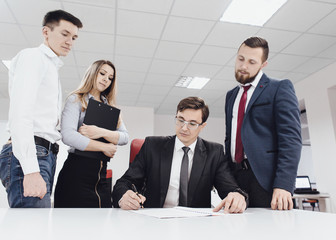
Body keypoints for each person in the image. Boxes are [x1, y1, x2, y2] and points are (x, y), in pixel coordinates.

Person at [0, 10, 83, 208]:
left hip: (45, 154)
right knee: (31, 229)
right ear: (46, 32)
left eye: (74, 37)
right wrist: (30, 169)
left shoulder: (51, 67)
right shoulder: (33, 57)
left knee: (37, 226)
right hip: (32, 154)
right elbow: (21, 114)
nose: (70, 41)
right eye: (64, 34)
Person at [112, 97, 247, 213]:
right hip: (154, 222)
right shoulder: (152, 146)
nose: (183, 128)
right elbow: (124, 183)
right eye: (180, 120)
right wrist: (124, 196)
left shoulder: (214, 152)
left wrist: (237, 197)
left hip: (196, 224)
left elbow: (230, 189)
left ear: (202, 126)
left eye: (192, 123)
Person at [224, 37, 302, 210]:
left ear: (263, 64)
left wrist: (283, 184)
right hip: (236, 180)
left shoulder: (279, 88)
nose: (244, 66)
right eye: (241, 59)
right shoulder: (231, 96)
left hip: (266, 180)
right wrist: (227, 179)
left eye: (252, 62)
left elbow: (291, 139)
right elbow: (230, 139)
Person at [54, 60, 129, 208]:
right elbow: (68, 135)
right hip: (76, 172)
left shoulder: (111, 108)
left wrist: (98, 132)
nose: (106, 79)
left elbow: (125, 137)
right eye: (102, 74)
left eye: (110, 77)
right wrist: (104, 147)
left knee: (102, 223)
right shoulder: (76, 99)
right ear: (93, 73)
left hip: (101, 175)